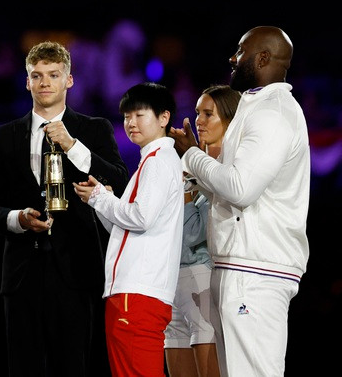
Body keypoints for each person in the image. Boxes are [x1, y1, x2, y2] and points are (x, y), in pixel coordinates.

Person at [0, 40, 129, 377]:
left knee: (74, 366)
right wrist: (17, 219)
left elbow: (118, 179)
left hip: (77, 271)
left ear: (69, 80)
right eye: (37, 75)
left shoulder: (93, 129)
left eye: (53, 74)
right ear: (27, 82)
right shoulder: (3, 136)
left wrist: (73, 146)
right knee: (24, 367)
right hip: (21, 274)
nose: (45, 82)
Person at [169, 26, 310, 376]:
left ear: (262, 58)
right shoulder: (257, 106)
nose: (232, 58)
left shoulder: (274, 112)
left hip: (257, 271)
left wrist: (192, 157)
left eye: (240, 51)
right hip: (241, 267)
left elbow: (240, 188)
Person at [73, 82, 184, 377]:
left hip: (137, 294)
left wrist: (101, 198)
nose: (130, 123)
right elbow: (127, 228)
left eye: (139, 115)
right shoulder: (151, 160)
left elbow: (141, 218)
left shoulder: (158, 162)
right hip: (135, 292)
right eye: (126, 116)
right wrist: (102, 201)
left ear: (163, 118)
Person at [164, 85, 241, 377]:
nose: (199, 121)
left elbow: (192, 234)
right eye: (197, 113)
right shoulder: (187, 168)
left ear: (231, 121)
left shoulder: (232, 172)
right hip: (172, 284)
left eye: (208, 114)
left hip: (204, 281)